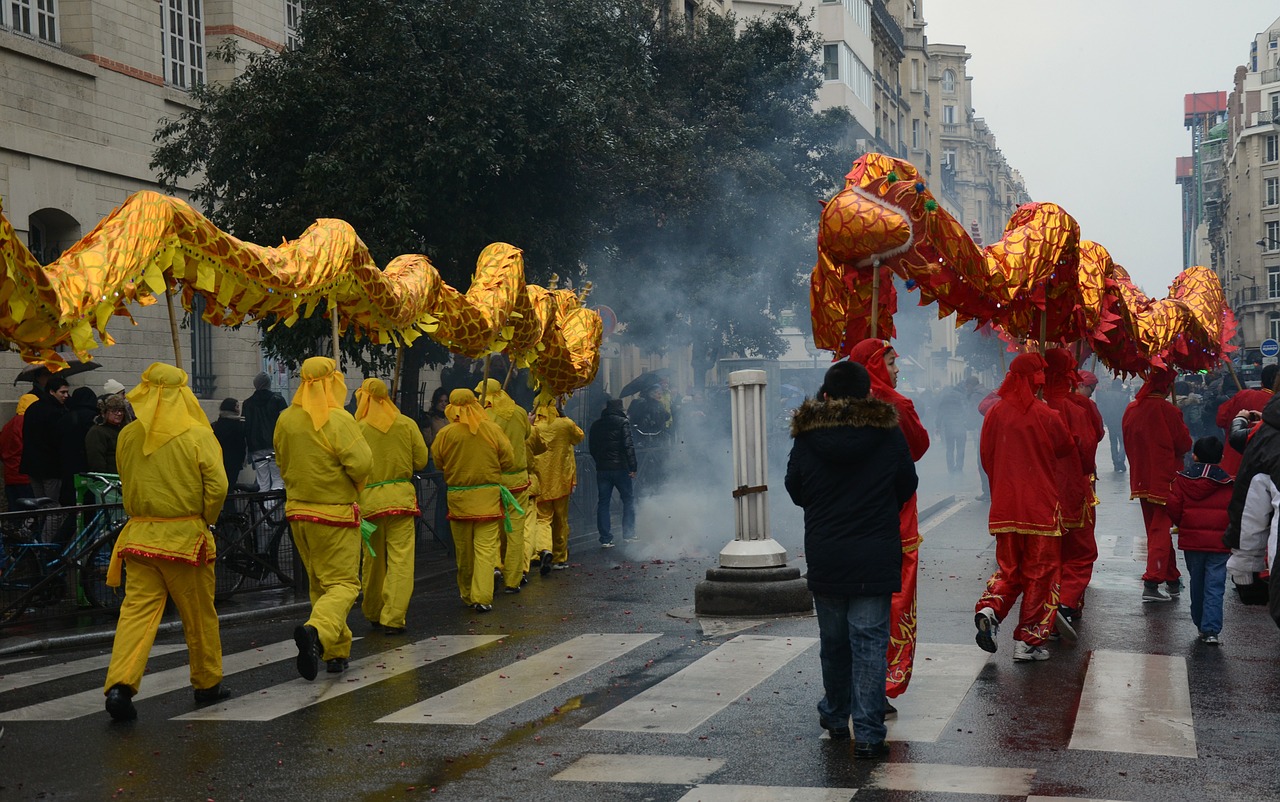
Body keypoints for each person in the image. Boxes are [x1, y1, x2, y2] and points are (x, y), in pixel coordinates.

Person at [785, 361, 917, 759]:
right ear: (867, 394)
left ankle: (836, 713)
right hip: (874, 552)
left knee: (835, 641)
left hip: (827, 552)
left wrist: (825, 509)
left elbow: (795, 487)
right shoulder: (887, 433)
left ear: (825, 395)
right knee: (870, 642)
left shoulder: (808, 437)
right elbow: (906, 484)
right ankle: (870, 731)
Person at [101, 363, 230, 721]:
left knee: (136, 616)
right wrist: (206, 517)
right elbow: (218, 487)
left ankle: (120, 686)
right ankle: (207, 683)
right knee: (199, 617)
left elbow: (127, 479)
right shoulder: (198, 435)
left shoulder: (128, 435)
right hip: (186, 540)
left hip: (140, 538)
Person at [275, 357, 373, 680]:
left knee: (321, 584)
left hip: (298, 514)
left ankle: (334, 651)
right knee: (344, 584)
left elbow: (280, 459)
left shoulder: (286, 419)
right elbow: (361, 464)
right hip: (335, 516)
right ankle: (316, 631)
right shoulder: (339, 419)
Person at [974, 353, 1073, 662]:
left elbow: (986, 456)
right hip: (1040, 507)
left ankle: (991, 608)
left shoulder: (994, 413)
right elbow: (1066, 447)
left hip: (1005, 506)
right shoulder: (1047, 415)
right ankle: (1028, 639)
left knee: (1009, 569)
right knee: (1041, 573)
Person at [848, 338, 928, 708]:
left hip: (844, 523)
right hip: (893, 518)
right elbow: (918, 448)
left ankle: (848, 685)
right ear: (878, 365)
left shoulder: (832, 408)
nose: (898, 371)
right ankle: (883, 681)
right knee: (894, 598)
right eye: (892, 363)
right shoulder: (897, 406)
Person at [354, 378, 429, 634]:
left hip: (369, 504)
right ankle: (394, 617)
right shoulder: (406, 424)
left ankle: (373, 611)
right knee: (401, 561)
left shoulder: (358, 428)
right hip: (401, 501)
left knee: (372, 561)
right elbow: (421, 460)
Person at [432, 388, 516, 613]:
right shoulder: (492, 429)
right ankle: (482, 596)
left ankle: (468, 594)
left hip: (459, 500)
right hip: (488, 498)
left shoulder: (446, 434)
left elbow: (438, 462)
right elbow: (508, 459)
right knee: (486, 550)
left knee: (464, 550)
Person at [1043, 350, 1103, 630]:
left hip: (1038, 495)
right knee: (1080, 553)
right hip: (1071, 490)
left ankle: (1043, 611)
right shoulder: (1076, 407)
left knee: (1045, 557)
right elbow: (1089, 448)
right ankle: (1065, 604)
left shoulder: (1029, 404)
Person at [1122, 368, 1192, 602]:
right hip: (1166, 477)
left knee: (1155, 529)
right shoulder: (1168, 410)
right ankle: (1152, 582)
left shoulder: (1132, 408)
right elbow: (1183, 444)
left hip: (1141, 476)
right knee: (1161, 531)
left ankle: (1171, 578)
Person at [476, 378, 544, 592]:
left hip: (493, 479)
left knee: (491, 529)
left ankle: (495, 565)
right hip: (518, 479)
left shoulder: (481, 415)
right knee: (516, 532)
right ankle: (513, 580)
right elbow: (526, 434)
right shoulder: (519, 412)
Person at [1166, 436, 1233, 644]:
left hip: (1192, 539)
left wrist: (1183, 524)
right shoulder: (1229, 483)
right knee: (1215, 583)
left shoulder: (1182, 480)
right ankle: (1211, 628)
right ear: (1221, 457)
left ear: (1194, 456)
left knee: (1197, 580)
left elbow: (1174, 507)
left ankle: (1199, 620)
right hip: (1220, 542)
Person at [531, 401, 585, 573]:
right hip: (561, 480)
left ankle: (544, 549)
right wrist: (564, 416)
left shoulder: (534, 427)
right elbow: (579, 437)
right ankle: (559, 557)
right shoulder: (565, 424)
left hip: (540, 481)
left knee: (542, 519)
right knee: (561, 520)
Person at [589, 397, 637, 547]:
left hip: (602, 469)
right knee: (627, 500)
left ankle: (605, 538)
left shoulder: (596, 424)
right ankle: (628, 534)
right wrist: (633, 467)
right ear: (620, 409)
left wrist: (599, 461)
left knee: (603, 502)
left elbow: (592, 447)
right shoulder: (623, 423)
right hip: (621, 468)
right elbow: (628, 446)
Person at [1214, 364, 1276, 476]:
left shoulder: (1244, 395)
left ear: (1262, 383)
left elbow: (1220, 420)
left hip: (1233, 462)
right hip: (1266, 468)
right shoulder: (1274, 403)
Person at [21, 374, 69, 505]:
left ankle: (40, 526)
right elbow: (59, 439)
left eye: (67, 392)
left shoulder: (33, 408)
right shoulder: (57, 411)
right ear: (52, 391)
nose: (66, 396)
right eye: (62, 392)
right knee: (52, 506)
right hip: (51, 467)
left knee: (40, 504)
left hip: (32, 465)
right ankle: (50, 527)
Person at [243, 371, 288, 492]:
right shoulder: (278, 400)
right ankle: (273, 507)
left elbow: (245, 426)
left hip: (256, 446)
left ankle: (263, 507)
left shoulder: (247, 403)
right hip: (274, 445)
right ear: (269, 383)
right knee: (277, 478)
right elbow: (285, 423)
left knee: (262, 480)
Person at [1, 393, 37, 508]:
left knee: (15, 513)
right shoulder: (28, 422)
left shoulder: (8, 425)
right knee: (30, 514)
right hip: (25, 477)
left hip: (9, 476)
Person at [935, 377, 977, 474]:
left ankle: (950, 469)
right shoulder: (962, 396)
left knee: (949, 449)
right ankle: (959, 468)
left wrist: (937, 425)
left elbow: (940, 412)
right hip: (960, 426)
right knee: (960, 449)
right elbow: (966, 410)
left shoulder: (945, 397)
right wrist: (967, 422)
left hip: (948, 426)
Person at [85, 395, 129, 474]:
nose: (119, 413)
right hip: (109, 479)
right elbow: (96, 458)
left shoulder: (123, 430)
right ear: (104, 412)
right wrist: (103, 478)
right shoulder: (97, 431)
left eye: (121, 410)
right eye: (114, 410)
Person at [211, 398, 247, 488]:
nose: (239, 409)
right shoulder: (238, 424)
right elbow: (241, 444)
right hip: (234, 460)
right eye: (237, 406)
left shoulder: (217, 424)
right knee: (231, 485)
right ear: (232, 408)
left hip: (219, 459)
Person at [1095, 376, 1130, 472]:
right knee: (1123, 442)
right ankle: (1120, 460)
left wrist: (1106, 419)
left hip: (1111, 422)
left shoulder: (1106, 396)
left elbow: (1103, 408)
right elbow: (1127, 411)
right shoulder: (1125, 396)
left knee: (1113, 443)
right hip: (1121, 422)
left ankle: (1115, 462)